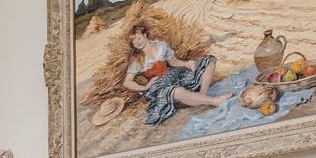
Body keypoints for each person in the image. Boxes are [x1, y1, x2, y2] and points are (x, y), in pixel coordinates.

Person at [89, 20, 234, 127]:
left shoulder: (161, 46)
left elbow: (174, 61)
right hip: (157, 86)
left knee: (209, 60)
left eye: (139, 38)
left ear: (145, 35)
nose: (137, 43)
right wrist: (145, 87)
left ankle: (202, 96)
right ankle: (213, 101)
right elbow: (127, 82)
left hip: (173, 74)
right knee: (175, 91)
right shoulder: (136, 59)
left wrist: (186, 63)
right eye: (134, 42)